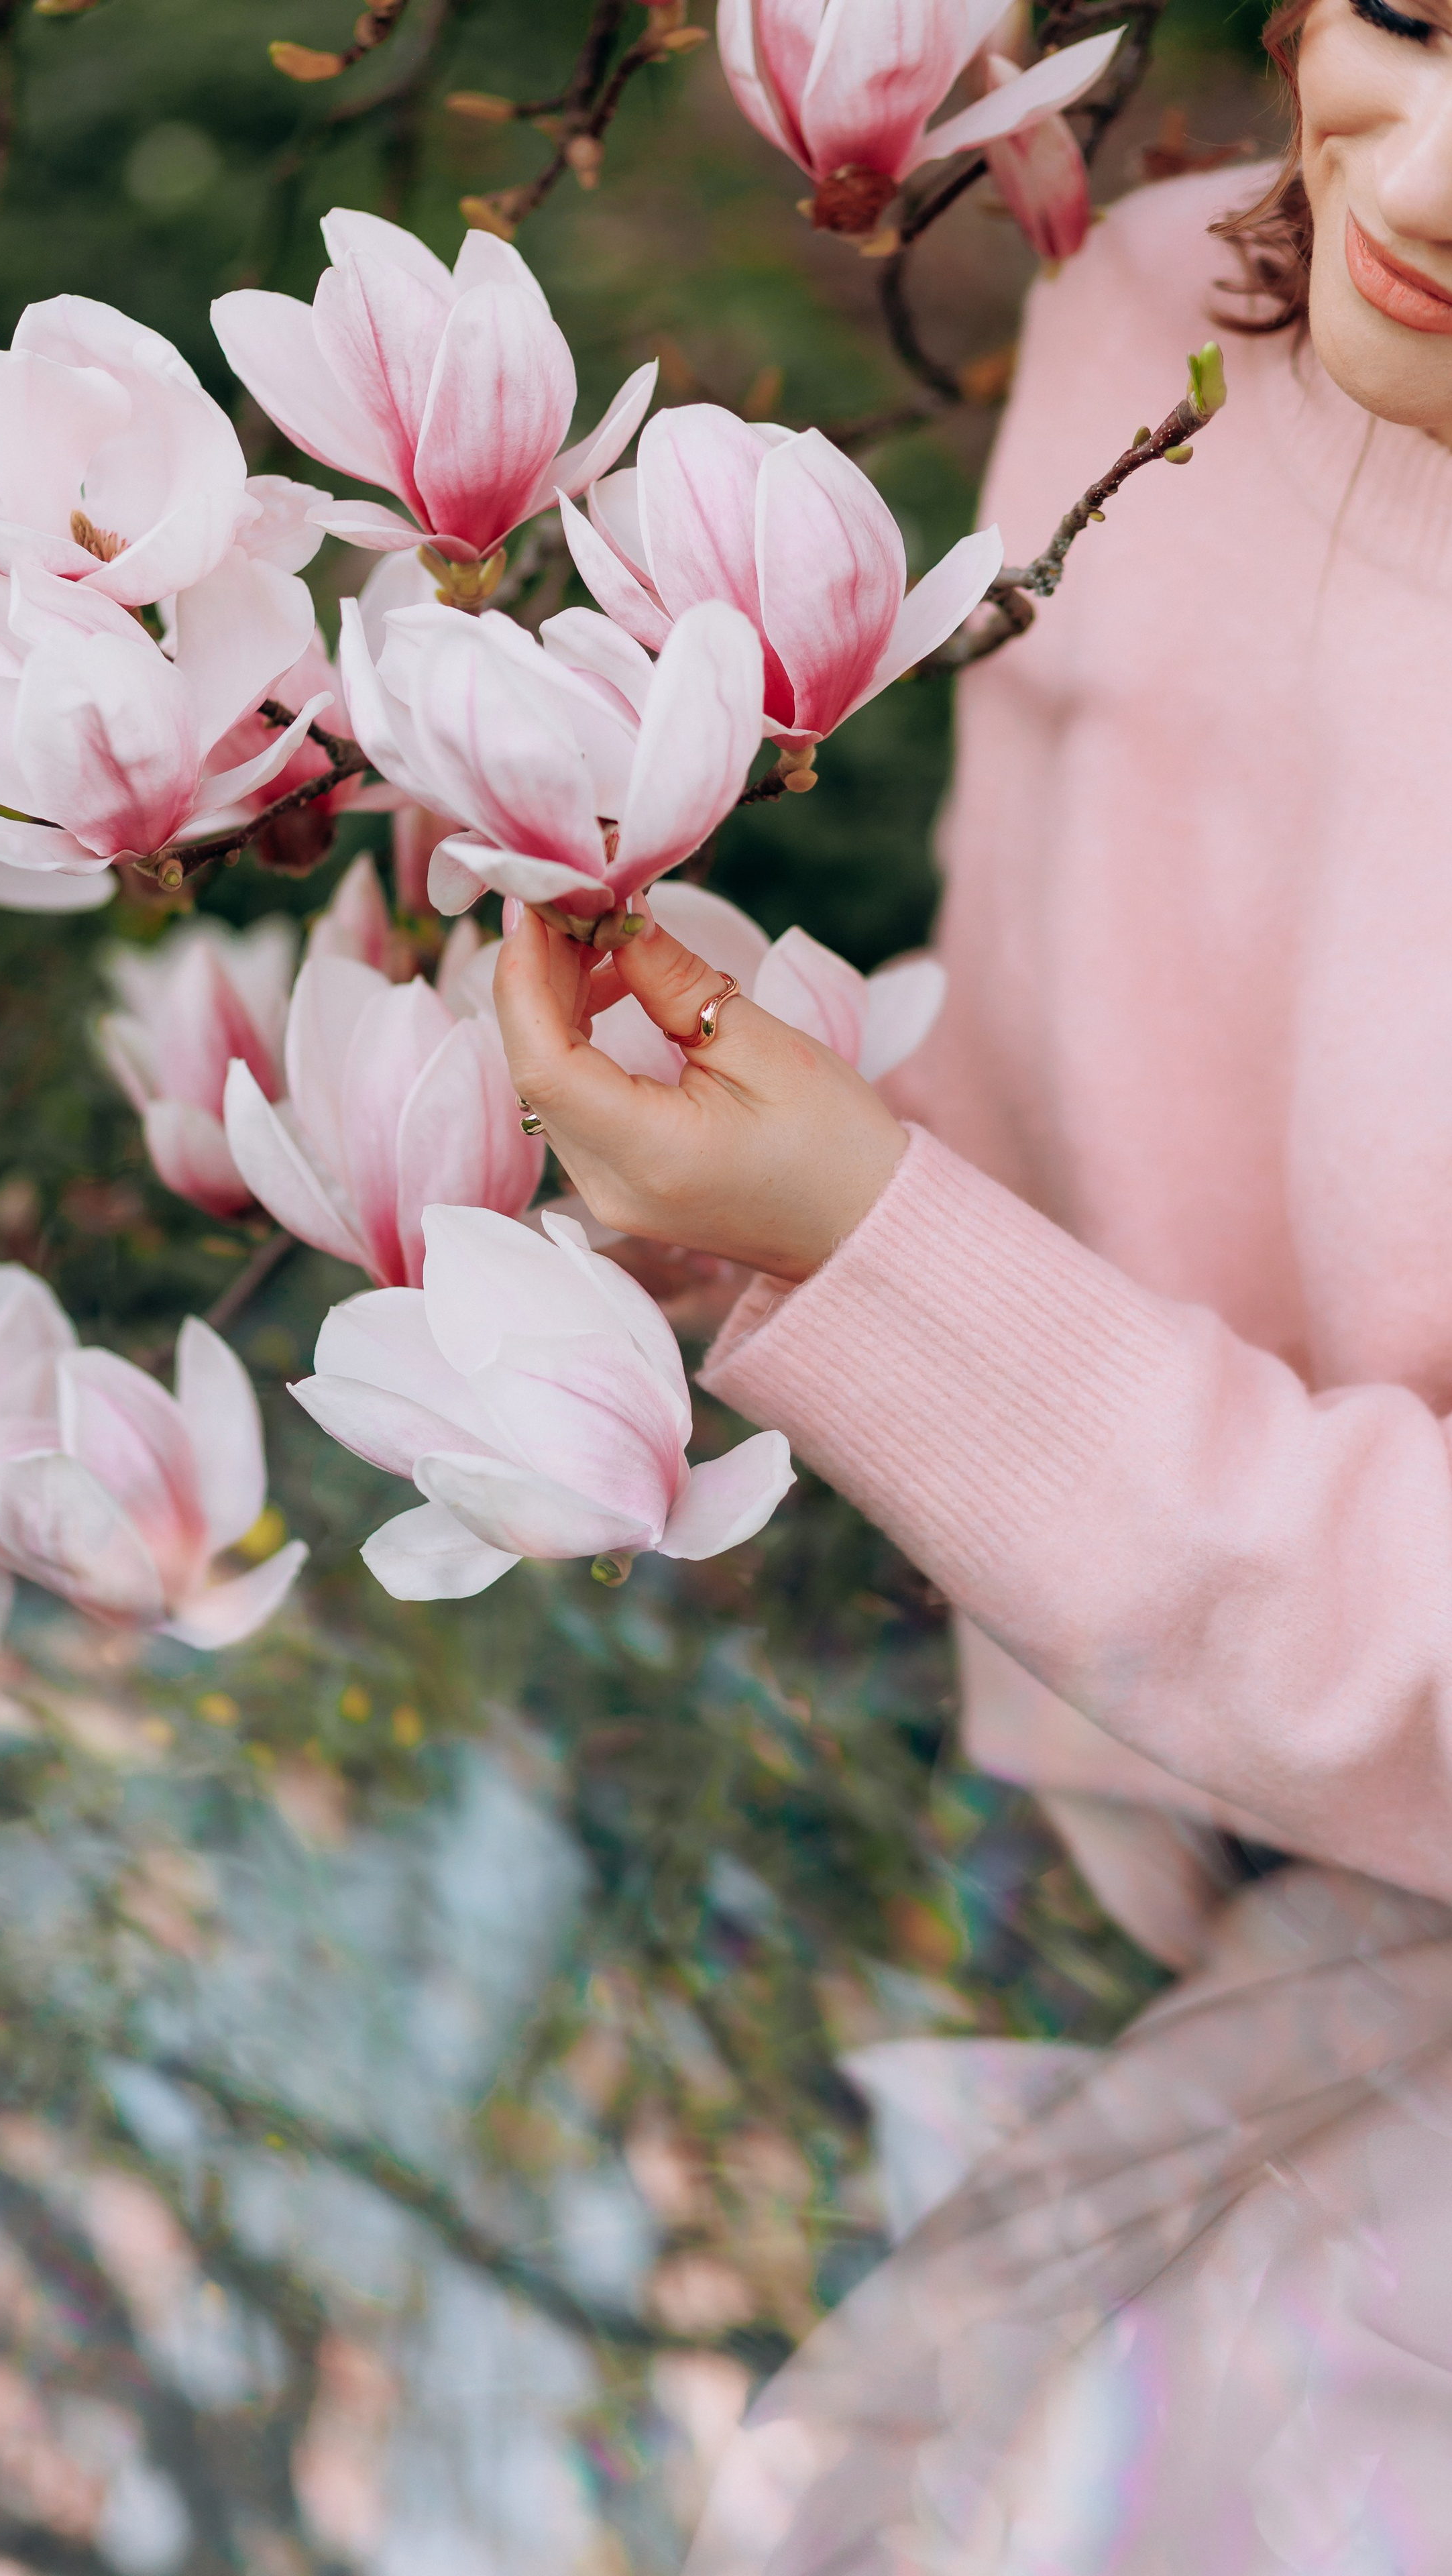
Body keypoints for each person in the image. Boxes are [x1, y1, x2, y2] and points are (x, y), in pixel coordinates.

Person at [493, 0, 1452, 2560]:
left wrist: (869, 1255)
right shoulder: (1164, 322)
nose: (1426, 184)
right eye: (1416, 16)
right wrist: (735, 1165)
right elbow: (1035, 1087)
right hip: (1089, 1825)